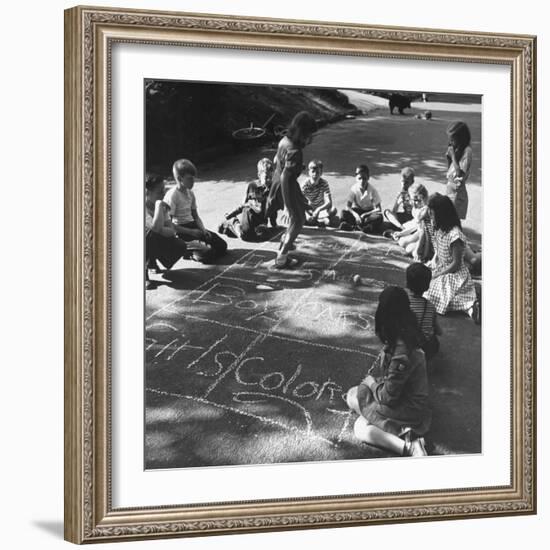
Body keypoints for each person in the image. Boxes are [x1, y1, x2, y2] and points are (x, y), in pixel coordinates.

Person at [344, 286, 431, 457]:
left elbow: (387, 398)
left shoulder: (401, 353)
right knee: (352, 394)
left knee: (360, 427)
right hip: (407, 399)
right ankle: (402, 431)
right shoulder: (407, 333)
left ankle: (409, 445)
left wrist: (371, 383)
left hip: (406, 409)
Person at [266, 111, 318, 269]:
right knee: (298, 220)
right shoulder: (295, 151)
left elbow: (277, 160)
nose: (311, 139)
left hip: (280, 183)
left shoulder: (284, 140)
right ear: (303, 133)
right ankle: (282, 257)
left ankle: (284, 241)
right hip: (284, 185)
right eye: (310, 135)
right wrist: (287, 207)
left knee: (299, 213)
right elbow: (285, 179)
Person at [424, 194, 480, 322]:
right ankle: (470, 303)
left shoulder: (455, 235)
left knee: (432, 296)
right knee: (427, 289)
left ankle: (471, 305)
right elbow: (438, 251)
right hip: (443, 270)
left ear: (441, 215)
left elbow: (455, 264)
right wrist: (433, 263)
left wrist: (438, 274)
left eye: (432, 214)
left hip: (454, 274)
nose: (430, 217)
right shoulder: (439, 229)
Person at [163, 158, 227, 263]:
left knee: (222, 246)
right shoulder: (173, 196)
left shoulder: (190, 193)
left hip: (193, 226)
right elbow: (169, 224)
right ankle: (188, 253)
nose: (193, 182)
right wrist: (191, 232)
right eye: (189, 179)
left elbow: (195, 216)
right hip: (181, 231)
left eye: (193, 178)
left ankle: (198, 247)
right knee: (208, 254)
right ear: (180, 178)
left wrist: (203, 230)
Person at [145, 173, 189, 289]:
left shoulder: (161, 205)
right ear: (147, 193)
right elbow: (154, 228)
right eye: (159, 192)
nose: (163, 194)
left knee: (180, 245)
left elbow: (171, 230)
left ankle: (151, 262)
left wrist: (161, 229)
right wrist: (159, 206)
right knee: (149, 235)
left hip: (154, 238)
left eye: (163, 190)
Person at [405, 263, 443, 359]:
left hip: (403, 346)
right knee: (434, 340)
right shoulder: (430, 307)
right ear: (427, 287)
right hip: (424, 348)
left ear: (406, 283)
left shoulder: (401, 301)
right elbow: (439, 331)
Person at [392, 182, 433, 260]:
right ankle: (394, 234)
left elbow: (424, 234)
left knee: (414, 252)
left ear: (423, 198)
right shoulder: (416, 208)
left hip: (427, 237)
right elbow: (415, 226)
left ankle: (426, 251)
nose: (414, 202)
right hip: (419, 233)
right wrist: (401, 233)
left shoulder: (424, 211)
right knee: (402, 242)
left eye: (417, 200)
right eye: (412, 199)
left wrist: (419, 250)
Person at [339, 164, 383, 233]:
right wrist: (355, 215)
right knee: (343, 213)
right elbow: (348, 206)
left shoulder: (372, 190)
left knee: (379, 217)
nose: (362, 181)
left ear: (368, 178)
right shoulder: (354, 188)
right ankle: (351, 226)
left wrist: (366, 214)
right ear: (356, 178)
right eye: (359, 178)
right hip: (357, 211)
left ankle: (367, 227)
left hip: (368, 214)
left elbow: (378, 209)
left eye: (364, 178)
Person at [445, 121, 472, 221]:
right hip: (450, 186)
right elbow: (450, 171)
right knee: (448, 216)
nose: (451, 142)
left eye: (453, 139)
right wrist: (449, 159)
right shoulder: (458, 149)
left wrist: (453, 157)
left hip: (457, 191)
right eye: (450, 139)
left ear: (461, 138)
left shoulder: (467, 151)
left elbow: (460, 174)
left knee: (453, 219)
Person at [301, 159, 339, 227]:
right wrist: (307, 213)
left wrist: (318, 209)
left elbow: (329, 202)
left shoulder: (324, 183)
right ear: (309, 172)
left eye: (317, 172)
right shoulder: (305, 185)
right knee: (303, 215)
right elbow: (299, 201)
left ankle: (317, 220)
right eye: (313, 172)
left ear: (321, 173)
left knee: (333, 210)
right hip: (308, 210)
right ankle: (320, 221)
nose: (315, 174)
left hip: (320, 210)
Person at [383, 166, 415, 231]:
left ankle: (401, 227)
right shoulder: (401, 193)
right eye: (402, 181)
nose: (403, 185)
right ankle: (401, 227)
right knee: (387, 212)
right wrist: (398, 203)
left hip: (414, 218)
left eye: (406, 182)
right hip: (405, 217)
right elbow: (394, 211)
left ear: (412, 182)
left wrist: (411, 201)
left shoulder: (415, 191)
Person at [256, 157, 278, 228]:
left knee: (273, 205)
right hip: (260, 209)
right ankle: (263, 223)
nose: (269, 180)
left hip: (270, 206)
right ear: (259, 176)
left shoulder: (272, 185)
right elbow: (258, 203)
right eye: (266, 177)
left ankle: (273, 222)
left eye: (271, 177)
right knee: (261, 208)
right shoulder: (257, 187)